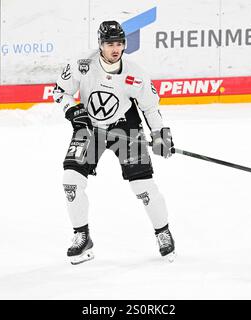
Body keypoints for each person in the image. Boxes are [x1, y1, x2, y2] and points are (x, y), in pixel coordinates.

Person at [53, 21, 175, 265]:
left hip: (126, 129)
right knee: (71, 183)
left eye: (119, 43)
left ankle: (163, 232)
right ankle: (82, 236)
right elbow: (60, 92)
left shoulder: (135, 73)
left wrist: (160, 134)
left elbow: (150, 107)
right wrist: (74, 111)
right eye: (110, 44)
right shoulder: (82, 64)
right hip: (90, 128)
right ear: (100, 44)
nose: (115, 48)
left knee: (143, 187)